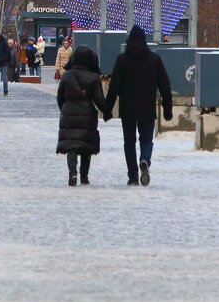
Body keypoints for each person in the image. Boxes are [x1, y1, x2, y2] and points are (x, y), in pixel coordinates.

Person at [103, 25, 172, 187]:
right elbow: (165, 85)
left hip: (127, 108)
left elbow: (113, 87)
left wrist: (107, 109)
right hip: (147, 106)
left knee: (129, 142)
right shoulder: (154, 60)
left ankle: (133, 176)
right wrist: (167, 109)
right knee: (146, 138)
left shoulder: (122, 60)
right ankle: (145, 159)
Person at [56, 46, 108, 186]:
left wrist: (65, 109)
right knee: (86, 147)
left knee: (71, 147)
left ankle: (72, 173)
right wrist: (107, 112)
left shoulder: (67, 75)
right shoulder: (93, 77)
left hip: (69, 113)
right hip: (87, 114)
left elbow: (60, 96)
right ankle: (84, 177)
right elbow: (99, 100)